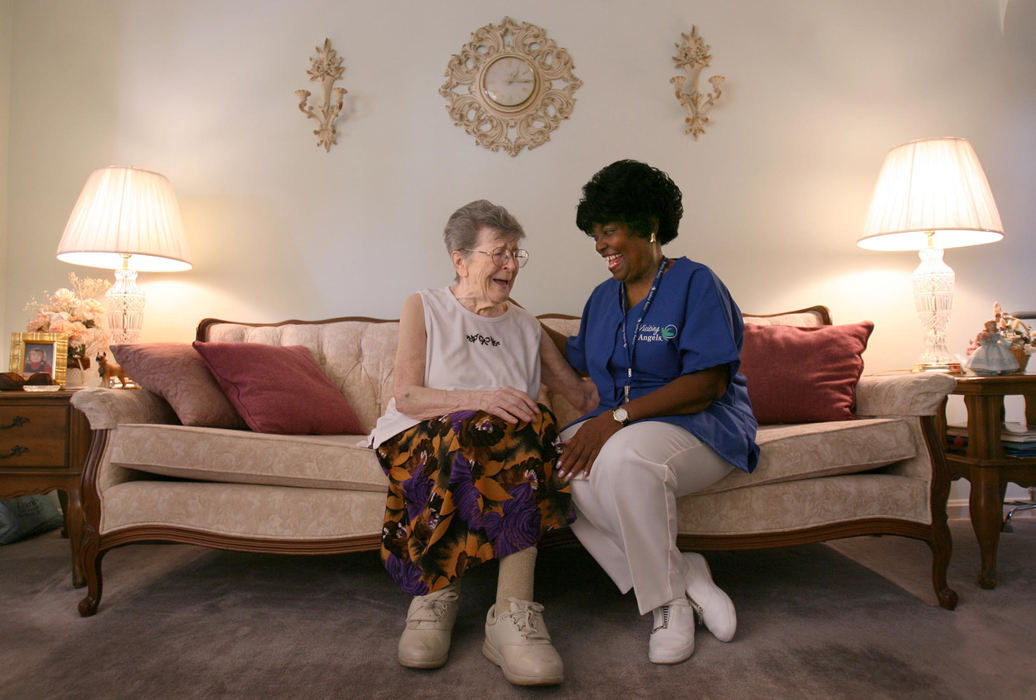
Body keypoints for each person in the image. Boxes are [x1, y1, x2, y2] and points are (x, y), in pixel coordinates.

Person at [368, 200, 594, 686]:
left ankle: (512, 614)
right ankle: (435, 594)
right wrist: (482, 398)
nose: (511, 265)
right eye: (499, 253)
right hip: (420, 436)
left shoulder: (527, 325)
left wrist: (648, 389)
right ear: (460, 259)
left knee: (530, 427)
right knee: (477, 426)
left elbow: (580, 393)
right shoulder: (424, 306)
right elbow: (406, 396)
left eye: (516, 254)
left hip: (504, 445)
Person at [543, 160, 760, 665]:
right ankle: (685, 575)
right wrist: (522, 324)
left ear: (649, 225)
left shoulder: (695, 283)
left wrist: (614, 419)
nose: (601, 245)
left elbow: (707, 383)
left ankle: (668, 608)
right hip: (631, 430)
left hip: (705, 427)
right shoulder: (603, 299)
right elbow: (578, 358)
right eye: (595, 235)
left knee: (623, 460)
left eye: (610, 229)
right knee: (554, 468)